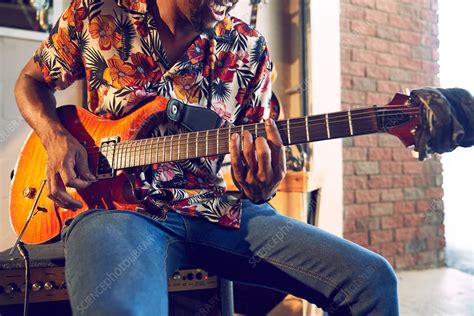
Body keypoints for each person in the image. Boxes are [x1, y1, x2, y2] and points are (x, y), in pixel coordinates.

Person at [15, 0, 399, 315]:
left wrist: (262, 186)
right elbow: (29, 81)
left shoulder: (249, 49)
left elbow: (256, 158)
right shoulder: (99, 14)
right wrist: (55, 136)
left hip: (214, 211)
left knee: (371, 279)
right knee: (120, 309)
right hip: (115, 213)